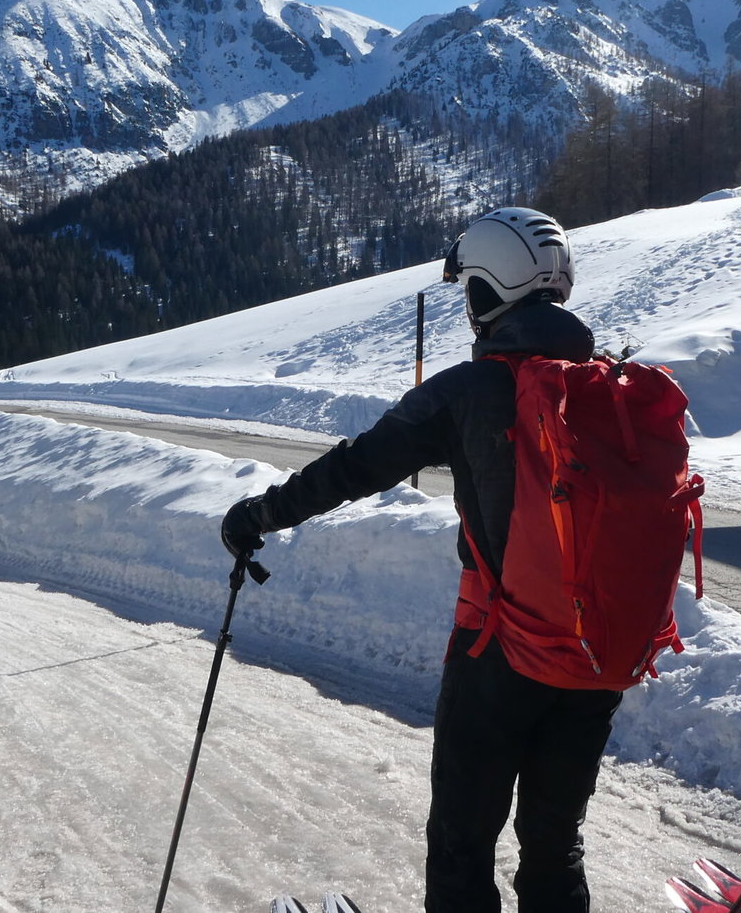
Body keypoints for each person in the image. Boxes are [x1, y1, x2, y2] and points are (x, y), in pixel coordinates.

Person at [222, 207, 626, 913]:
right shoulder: (609, 386)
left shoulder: (468, 391)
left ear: (487, 292)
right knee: (555, 846)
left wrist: (262, 514)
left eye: (470, 286)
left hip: (499, 653)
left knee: (463, 843)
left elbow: (355, 468)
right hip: (596, 659)